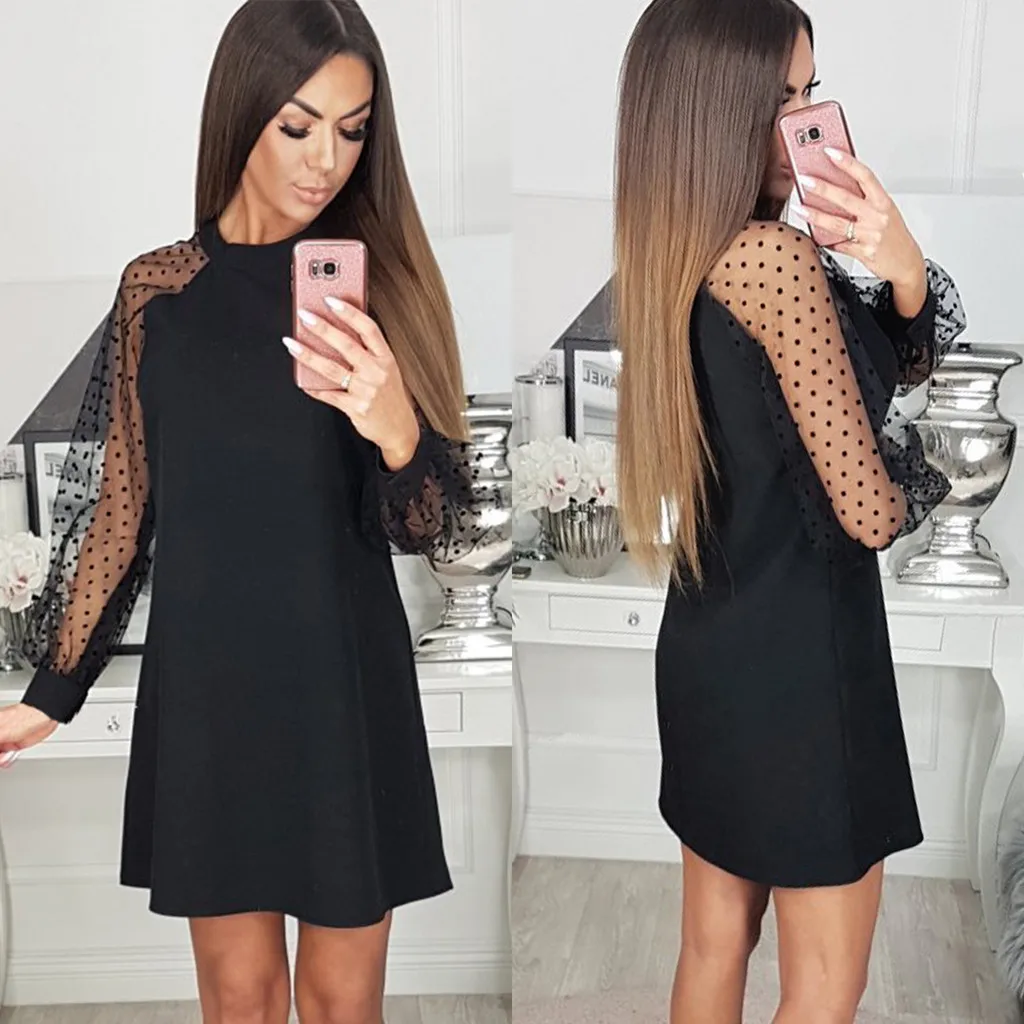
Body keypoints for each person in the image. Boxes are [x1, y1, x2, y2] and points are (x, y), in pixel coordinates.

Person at [0, 2, 476, 1022]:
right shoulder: (157, 294)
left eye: (352, 130)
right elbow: (121, 509)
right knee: (240, 999)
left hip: (342, 684)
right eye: (298, 126)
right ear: (242, 110)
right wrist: (53, 690)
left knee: (342, 1004)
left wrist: (397, 428)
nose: (325, 161)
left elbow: (430, 527)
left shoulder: (380, 287)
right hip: (211, 692)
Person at [613, 1, 966, 1022]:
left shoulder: (674, 255)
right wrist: (924, 469)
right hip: (806, 673)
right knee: (822, 991)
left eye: (809, 93)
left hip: (710, 649)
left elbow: (866, 379)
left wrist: (899, 270)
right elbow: (868, 512)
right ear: (710, 109)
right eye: (775, 99)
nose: (803, 122)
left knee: (711, 947)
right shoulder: (773, 261)